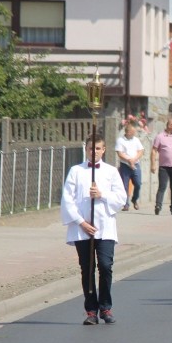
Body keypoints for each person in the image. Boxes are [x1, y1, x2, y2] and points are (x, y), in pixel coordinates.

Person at [61, 133, 127, 325]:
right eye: (91, 148)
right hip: (83, 229)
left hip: (104, 227)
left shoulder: (111, 171)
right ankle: (91, 310)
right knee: (87, 269)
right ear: (86, 149)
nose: (94, 152)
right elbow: (68, 199)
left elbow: (120, 198)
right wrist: (81, 222)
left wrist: (102, 194)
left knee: (105, 266)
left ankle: (106, 307)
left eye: (98, 148)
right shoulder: (76, 171)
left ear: (103, 150)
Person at [115, 123, 144, 211]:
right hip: (125, 165)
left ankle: (134, 199)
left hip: (136, 164)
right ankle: (125, 204)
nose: (133, 134)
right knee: (125, 185)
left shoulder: (136, 140)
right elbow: (120, 153)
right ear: (127, 132)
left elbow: (141, 151)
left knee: (138, 183)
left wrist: (134, 159)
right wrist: (129, 160)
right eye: (132, 132)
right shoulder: (120, 140)